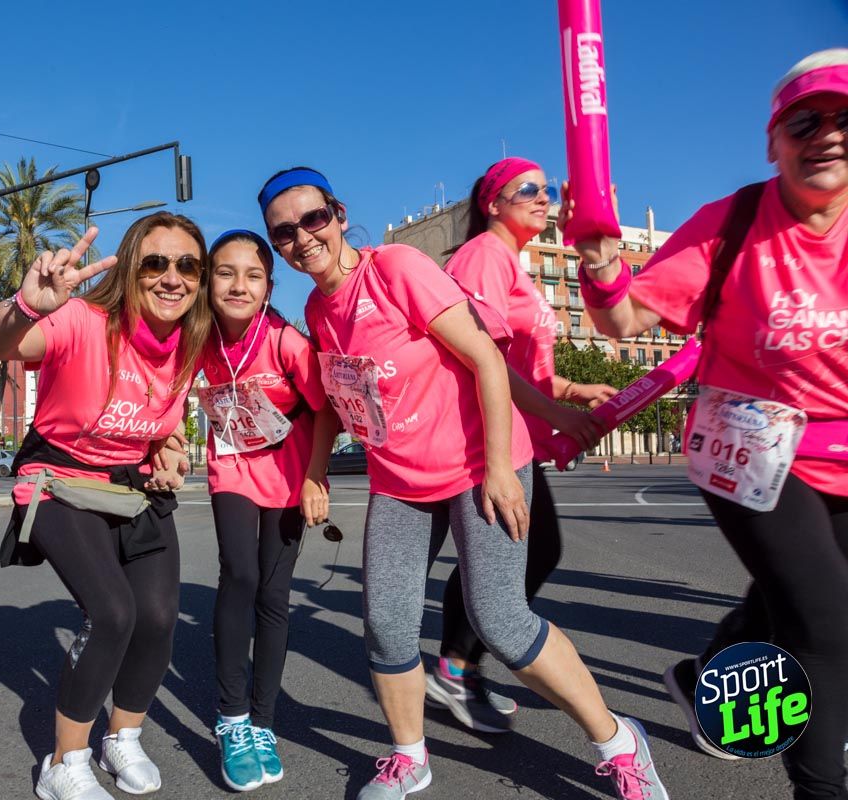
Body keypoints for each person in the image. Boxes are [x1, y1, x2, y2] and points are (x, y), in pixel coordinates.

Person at [260, 166, 668, 800]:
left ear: (339, 215)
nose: (302, 238)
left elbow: (484, 355)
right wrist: (314, 471)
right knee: (387, 624)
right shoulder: (317, 306)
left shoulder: (395, 267)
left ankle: (618, 741)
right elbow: (344, 400)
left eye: (313, 219)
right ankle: (409, 756)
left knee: (501, 619)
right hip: (398, 482)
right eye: (283, 232)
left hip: (478, 464)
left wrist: (503, 467)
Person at [574, 49, 848, 799]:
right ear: (773, 141)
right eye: (804, 122)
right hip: (752, 448)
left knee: (787, 598)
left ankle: (704, 678)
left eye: (845, 119)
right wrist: (602, 266)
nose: (826, 135)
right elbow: (621, 321)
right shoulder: (730, 222)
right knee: (826, 624)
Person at [0, 214, 209, 800]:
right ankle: (64, 761)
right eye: (156, 262)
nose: (172, 278)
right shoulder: (80, 319)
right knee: (112, 614)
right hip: (57, 482)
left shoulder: (191, 344)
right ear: (130, 268)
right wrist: (28, 307)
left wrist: (171, 446)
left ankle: (122, 737)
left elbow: (161, 421)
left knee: (156, 619)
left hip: (132, 489)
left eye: (187, 266)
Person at [429, 158, 614, 733]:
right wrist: (557, 412)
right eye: (527, 189)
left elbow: (523, 367)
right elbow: (478, 355)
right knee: (531, 550)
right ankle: (456, 667)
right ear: (492, 202)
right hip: (488, 440)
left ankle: (457, 666)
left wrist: (574, 389)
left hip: (516, 438)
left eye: (546, 189)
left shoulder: (514, 264)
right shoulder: (484, 255)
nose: (543, 197)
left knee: (524, 553)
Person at [197, 229, 337, 790]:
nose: (239, 285)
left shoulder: (285, 341)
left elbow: (326, 410)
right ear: (208, 280)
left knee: (273, 597)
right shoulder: (198, 336)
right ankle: (231, 720)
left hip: (288, 474)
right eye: (226, 272)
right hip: (231, 466)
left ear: (269, 286)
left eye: (253, 275)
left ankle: (263, 722)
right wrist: (162, 442)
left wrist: (315, 477)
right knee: (240, 574)